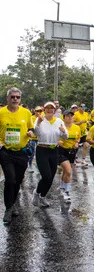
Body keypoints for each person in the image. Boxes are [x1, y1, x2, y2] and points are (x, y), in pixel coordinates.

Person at [0, 88, 34, 224]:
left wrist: (31, 132)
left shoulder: (26, 113)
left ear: (20, 99)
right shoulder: (1, 112)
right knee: (10, 180)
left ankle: (12, 204)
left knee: (18, 180)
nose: (15, 99)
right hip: (5, 152)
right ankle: (8, 208)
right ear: (7, 98)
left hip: (22, 152)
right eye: (12, 97)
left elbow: (31, 127)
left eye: (18, 97)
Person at [32, 101, 68, 207]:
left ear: (55, 110)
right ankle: (36, 193)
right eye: (47, 108)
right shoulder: (40, 119)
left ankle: (43, 196)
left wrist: (63, 132)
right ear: (44, 109)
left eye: (52, 108)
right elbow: (35, 132)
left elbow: (65, 136)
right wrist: (38, 123)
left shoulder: (59, 121)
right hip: (42, 150)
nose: (50, 110)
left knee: (51, 177)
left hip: (54, 150)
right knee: (46, 176)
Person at [57, 110, 81, 203]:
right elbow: (54, 137)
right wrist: (58, 141)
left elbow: (78, 137)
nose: (70, 117)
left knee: (66, 172)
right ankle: (66, 192)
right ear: (64, 117)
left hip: (72, 152)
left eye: (71, 116)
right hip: (62, 151)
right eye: (67, 116)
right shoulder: (60, 127)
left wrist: (77, 143)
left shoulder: (77, 127)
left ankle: (62, 186)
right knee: (68, 171)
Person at [27, 105, 43, 172]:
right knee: (32, 152)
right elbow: (31, 127)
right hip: (32, 138)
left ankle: (38, 165)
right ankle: (30, 165)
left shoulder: (43, 118)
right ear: (35, 111)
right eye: (37, 111)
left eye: (40, 111)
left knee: (39, 153)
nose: (38, 112)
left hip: (39, 138)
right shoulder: (31, 118)